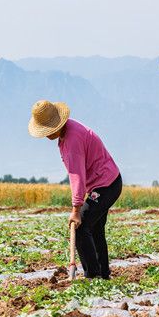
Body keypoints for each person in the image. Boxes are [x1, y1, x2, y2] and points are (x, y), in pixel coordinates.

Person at [28, 100, 122, 279]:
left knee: (81, 226)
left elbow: (76, 175)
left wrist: (76, 209)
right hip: (106, 182)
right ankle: (103, 275)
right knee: (95, 229)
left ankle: (93, 276)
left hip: (106, 184)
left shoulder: (72, 139)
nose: (46, 135)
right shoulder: (67, 131)